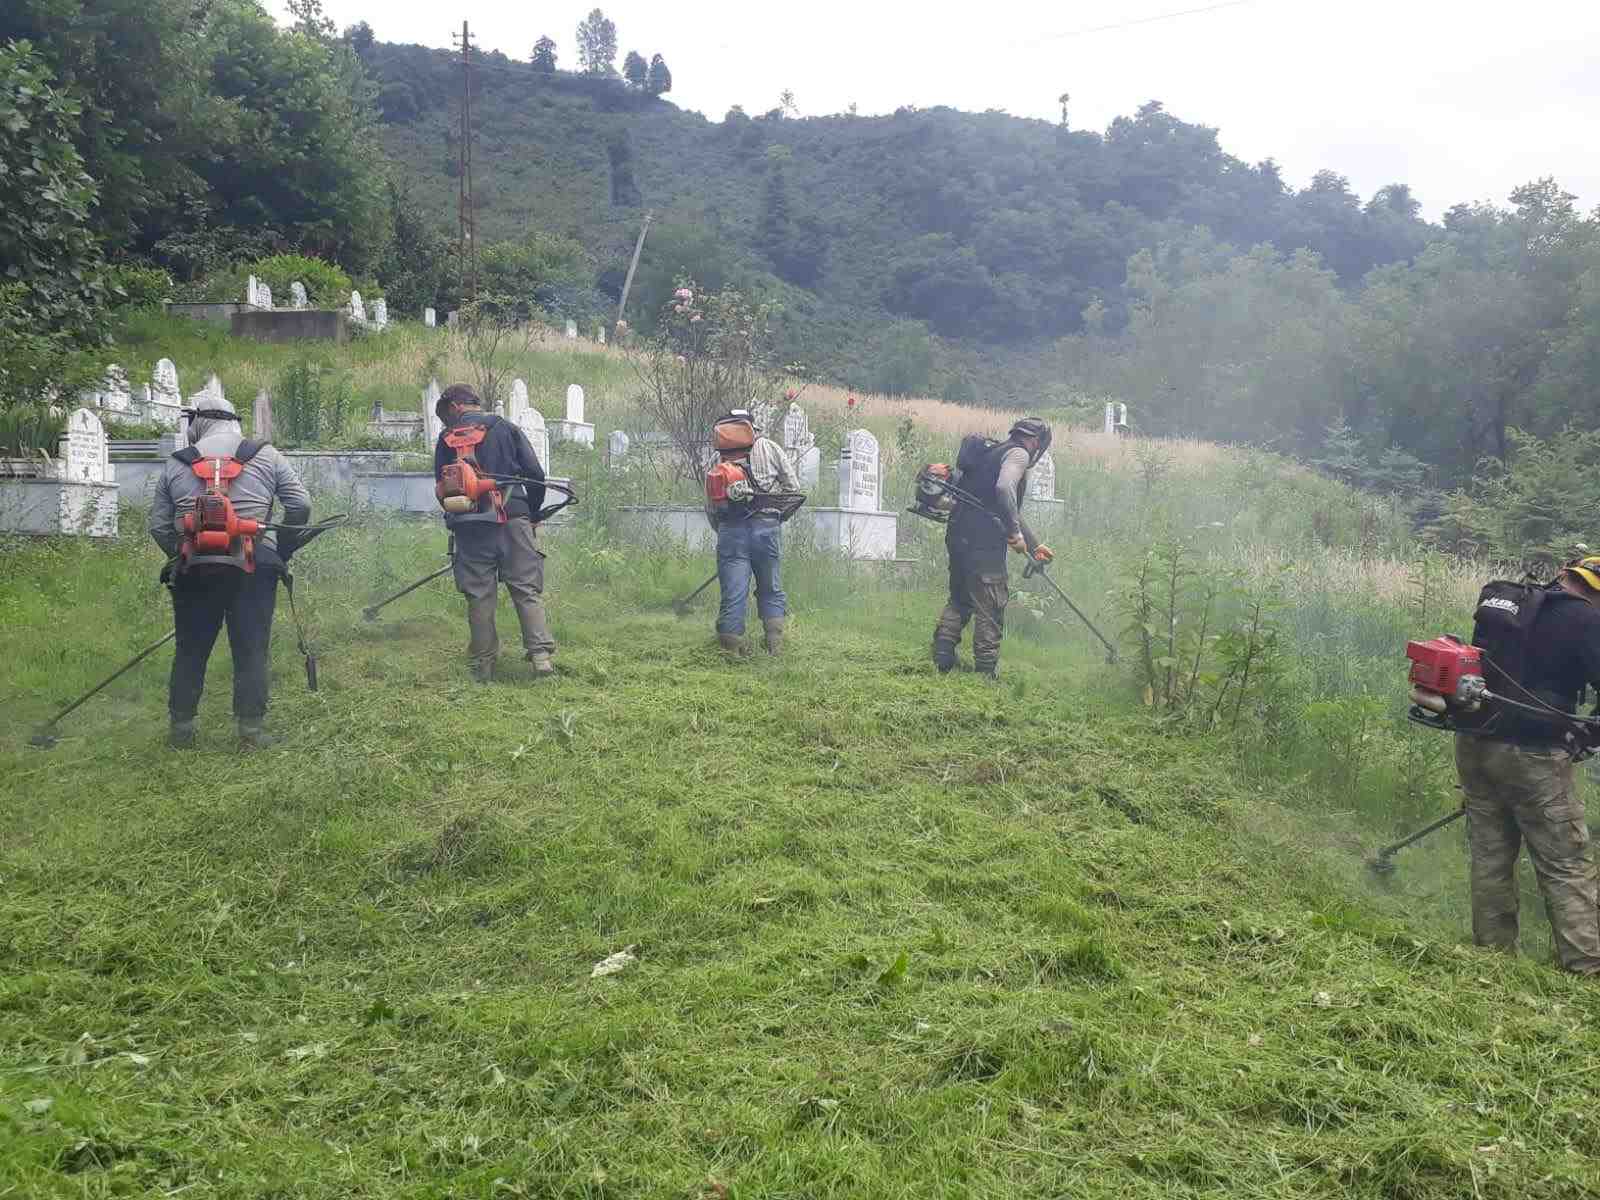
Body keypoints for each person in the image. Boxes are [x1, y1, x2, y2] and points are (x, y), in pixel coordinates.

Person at [1455, 557, 1600, 975]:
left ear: (1566, 576)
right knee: (1566, 862)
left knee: (1490, 854)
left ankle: (1493, 956)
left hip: (1474, 744)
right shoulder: (1585, 620)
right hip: (1532, 755)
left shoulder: (1508, 603)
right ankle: (1586, 968)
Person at [150, 397, 312, 749]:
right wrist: (278, 548)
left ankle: (181, 731)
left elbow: (159, 526)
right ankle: (251, 733)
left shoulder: (177, 464)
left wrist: (181, 553)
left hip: (194, 570)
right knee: (252, 648)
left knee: (190, 650)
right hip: (253, 568)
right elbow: (301, 505)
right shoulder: (266, 455)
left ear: (200, 421)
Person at [433, 383, 555, 683]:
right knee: (526, 588)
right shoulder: (505, 428)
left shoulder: (446, 438)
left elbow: (441, 486)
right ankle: (541, 659)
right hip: (514, 519)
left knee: (479, 595)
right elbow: (536, 476)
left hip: (470, 525)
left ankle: (484, 666)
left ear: (454, 407)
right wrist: (533, 513)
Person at [932, 417, 1054, 678]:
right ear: (1035, 441)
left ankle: (942, 658)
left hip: (958, 534)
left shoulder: (991, 452)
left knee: (960, 598)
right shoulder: (1018, 454)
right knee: (991, 604)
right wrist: (1013, 533)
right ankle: (986, 672)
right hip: (984, 543)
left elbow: (1001, 504)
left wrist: (1034, 545)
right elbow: (1003, 489)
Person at [705, 408, 801, 655]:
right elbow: (793, 489)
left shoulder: (717, 458)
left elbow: (711, 507)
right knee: (770, 587)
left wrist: (724, 531)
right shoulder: (769, 447)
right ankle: (774, 645)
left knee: (734, 591)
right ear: (752, 427)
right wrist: (776, 517)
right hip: (766, 528)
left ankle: (731, 648)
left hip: (730, 532)